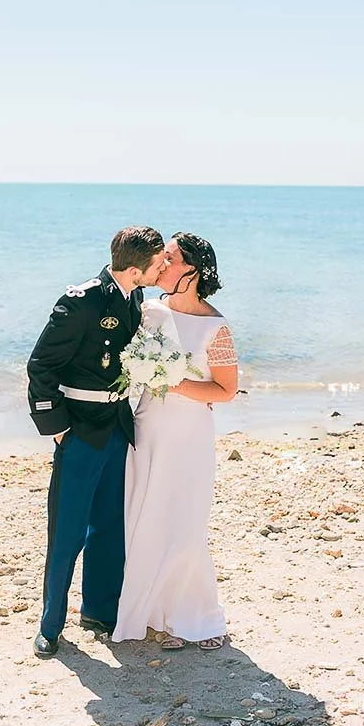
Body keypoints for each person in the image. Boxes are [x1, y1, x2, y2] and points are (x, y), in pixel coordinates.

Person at [26, 226, 169, 659]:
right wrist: (57, 428)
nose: (162, 266)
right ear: (135, 267)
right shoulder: (81, 300)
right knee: (67, 530)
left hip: (116, 425)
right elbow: (41, 366)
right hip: (81, 428)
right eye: (159, 261)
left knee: (109, 525)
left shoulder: (135, 298)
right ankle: (51, 624)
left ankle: (99, 611)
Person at [112, 232, 239, 651]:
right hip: (147, 428)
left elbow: (225, 391)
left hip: (188, 437)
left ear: (193, 271)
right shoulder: (149, 311)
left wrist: (175, 381)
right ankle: (147, 612)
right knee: (144, 515)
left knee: (184, 522)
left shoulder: (215, 327)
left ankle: (192, 614)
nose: (160, 266)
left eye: (169, 259)